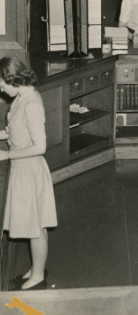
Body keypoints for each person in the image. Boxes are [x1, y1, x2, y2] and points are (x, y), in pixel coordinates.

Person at [0, 58, 57, 291]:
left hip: (29, 170)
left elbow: (40, 146)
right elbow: (14, 129)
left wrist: (6, 156)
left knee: (35, 228)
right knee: (36, 226)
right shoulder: (22, 97)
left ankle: (38, 278)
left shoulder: (31, 103)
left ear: (12, 79)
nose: (0, 89)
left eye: (2, 84)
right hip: (24, 169)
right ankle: (36, 269)